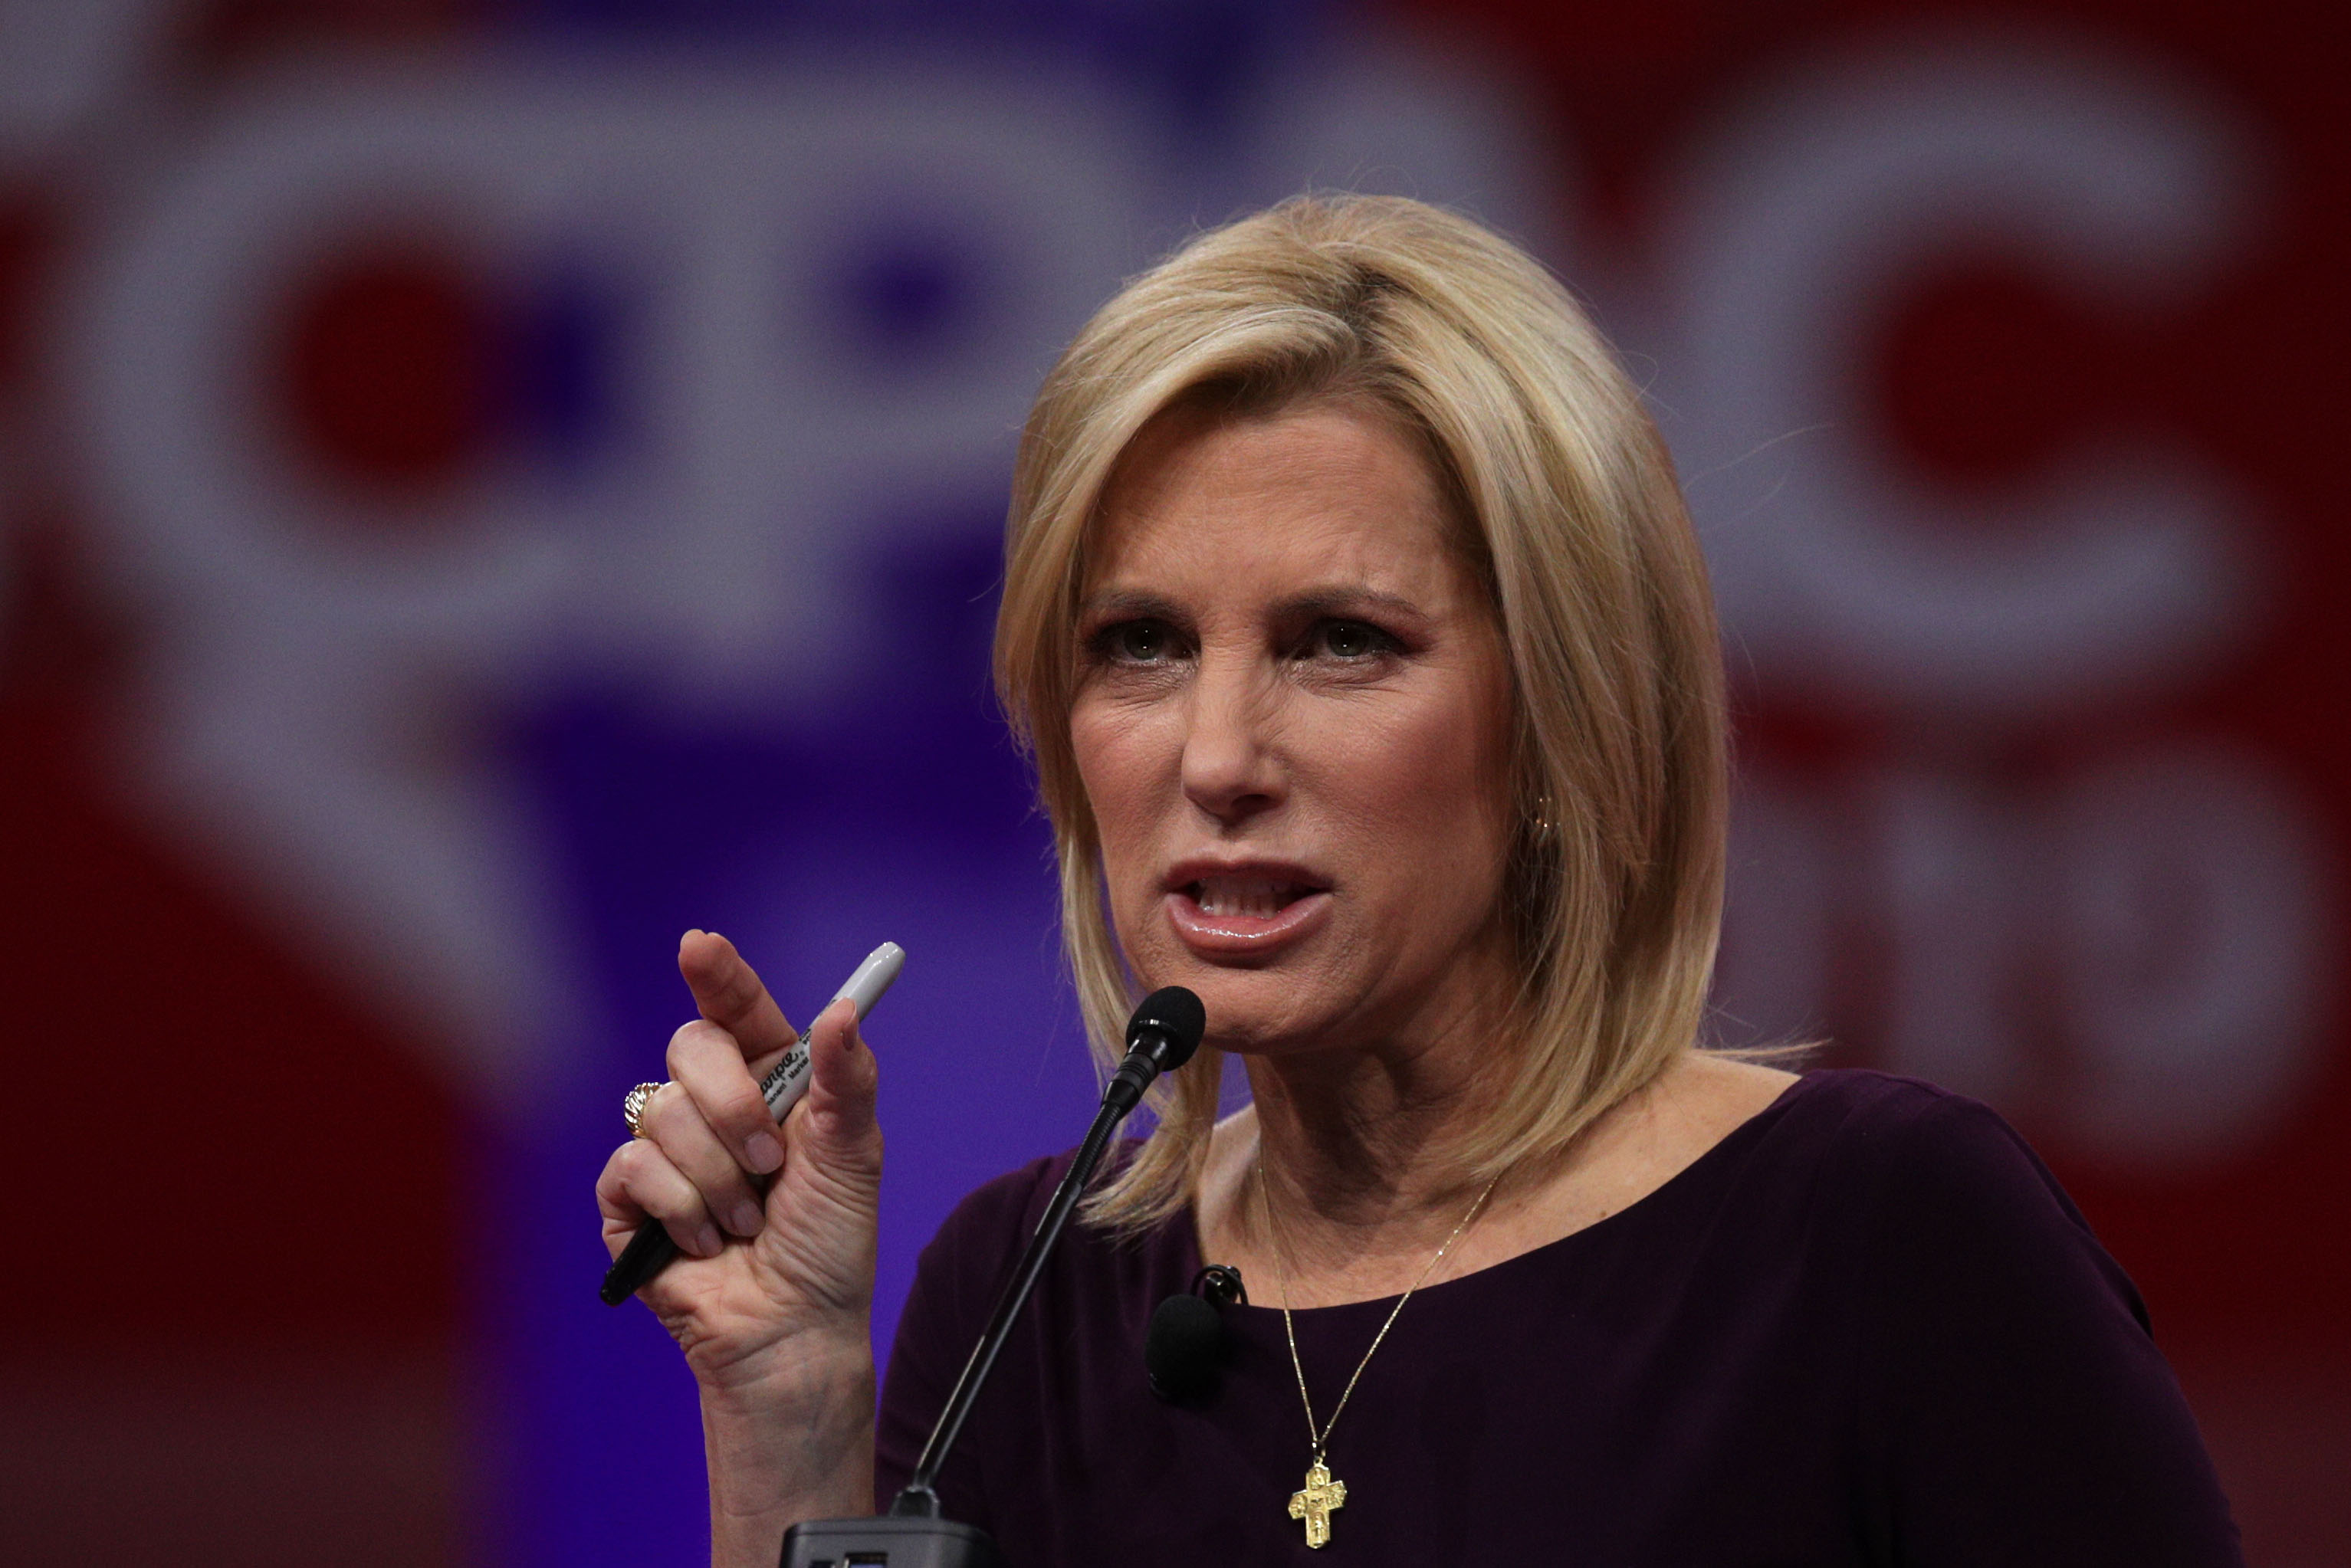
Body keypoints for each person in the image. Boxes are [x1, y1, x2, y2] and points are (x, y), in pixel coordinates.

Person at [596, 195, 2241, 1566]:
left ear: (1562, 720)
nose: (1217, 754)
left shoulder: (1876, 1241)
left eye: (1340, 644)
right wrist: (790, 1400)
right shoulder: (1030, 1296)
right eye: (1142, 645)